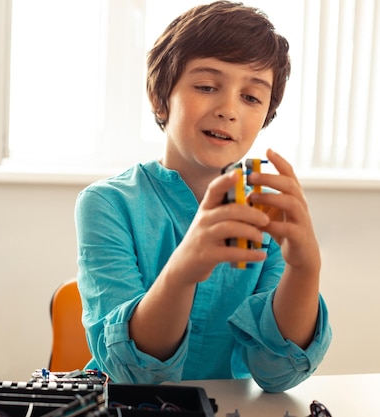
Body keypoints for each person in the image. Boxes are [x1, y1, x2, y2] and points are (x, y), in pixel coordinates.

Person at [74, 1, 331, 393]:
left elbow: (277, 374)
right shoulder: (107, 204)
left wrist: (305, 269)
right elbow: (135, 375)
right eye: (207, 86)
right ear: (162, 99)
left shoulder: (266, 213)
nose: (228, 109)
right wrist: (183, 270)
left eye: (251, 97)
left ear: (265, 117)